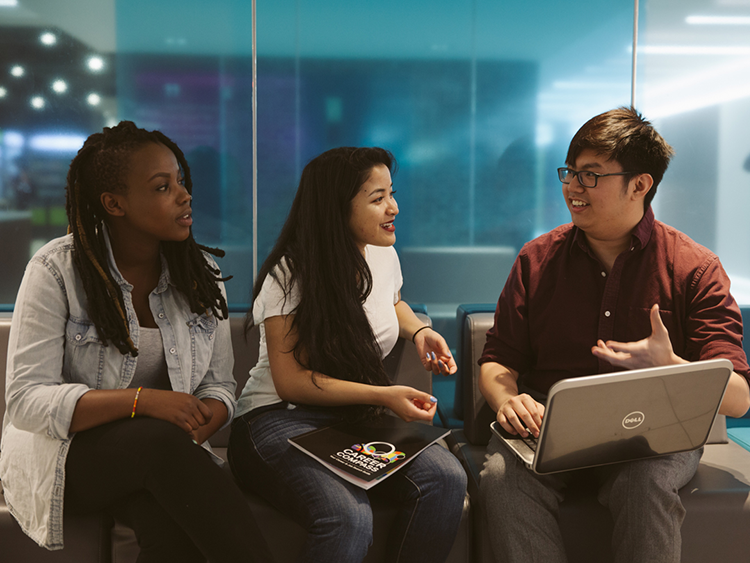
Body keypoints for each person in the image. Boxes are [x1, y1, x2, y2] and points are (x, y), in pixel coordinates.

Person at [478, 107, 750, 563]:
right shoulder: (536, 259)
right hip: (547, 428)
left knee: (645, 483)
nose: (572, 188)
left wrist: (672, 367)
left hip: (654, 436)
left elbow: (740, 399)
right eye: (570, 172)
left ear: (640, 184)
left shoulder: (694, 268)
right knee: (503, 478)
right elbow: (498, 358)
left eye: (590, 176)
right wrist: (507, 399)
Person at [0, 121, 274, 562]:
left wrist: (202, 421)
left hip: (161, 459)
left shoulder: (200, 277)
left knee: (170, 530)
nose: (184, 196)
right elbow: (26, 401)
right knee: (157, 442)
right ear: (114, 203)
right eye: (163, 187)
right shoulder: (57, 270)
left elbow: (220, 386)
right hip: (66, 459)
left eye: (180, 182)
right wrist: (142, 402)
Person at [228, 147, 467, 563]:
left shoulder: (381, 253)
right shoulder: (290, 273)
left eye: (391, 193)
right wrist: (383, 396)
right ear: (336, 208)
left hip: (350, 419)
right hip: (275, 418)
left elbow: (391, 302)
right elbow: (292, 381)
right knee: (346, 515)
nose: (393, 207)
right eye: (377, 199)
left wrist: (421, 331)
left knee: (447, 478)